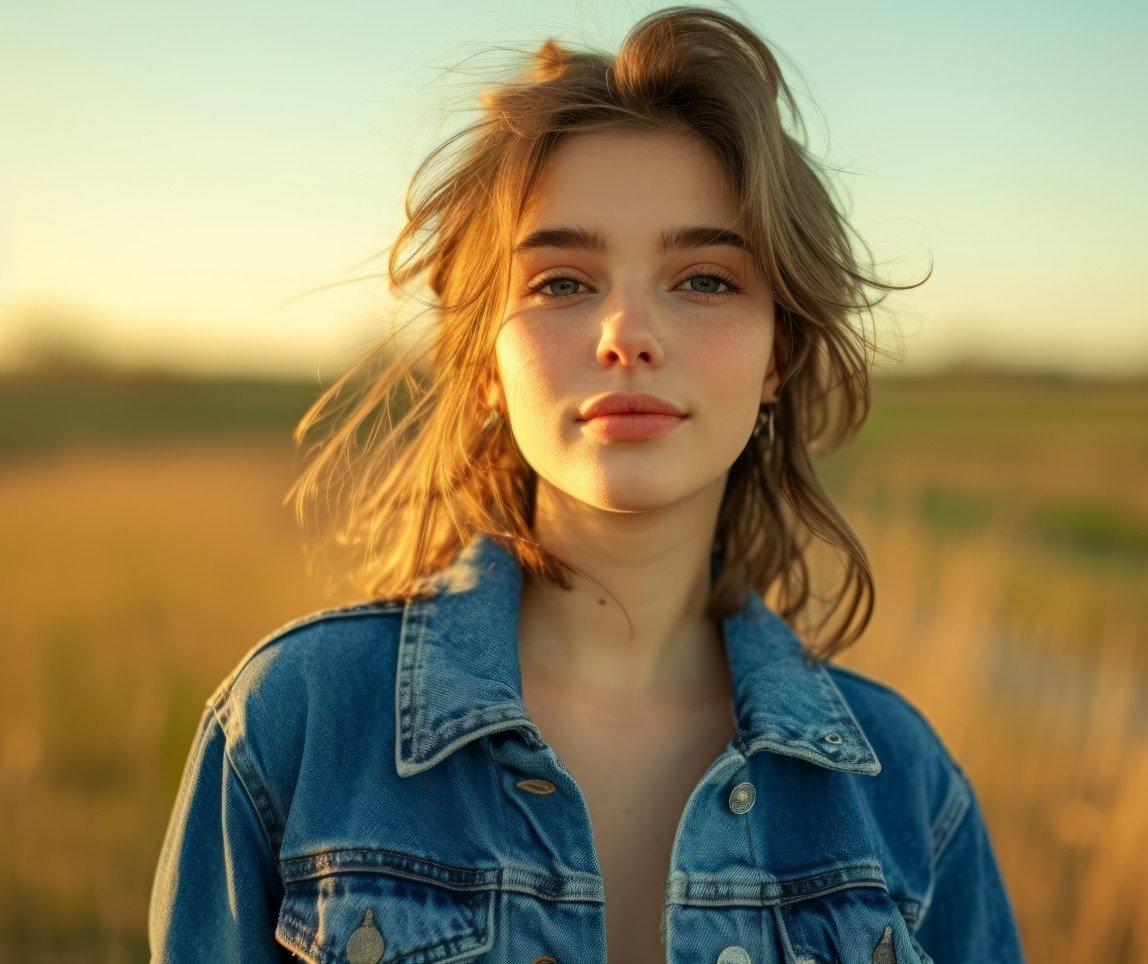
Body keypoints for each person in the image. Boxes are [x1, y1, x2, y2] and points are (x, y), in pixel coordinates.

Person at [149, 6, 1025, 962]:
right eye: (562, 282)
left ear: (778, 357)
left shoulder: (906, 790)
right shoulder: (294, 727)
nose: (627, 333)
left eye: (705, 279)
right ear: (485, 360)